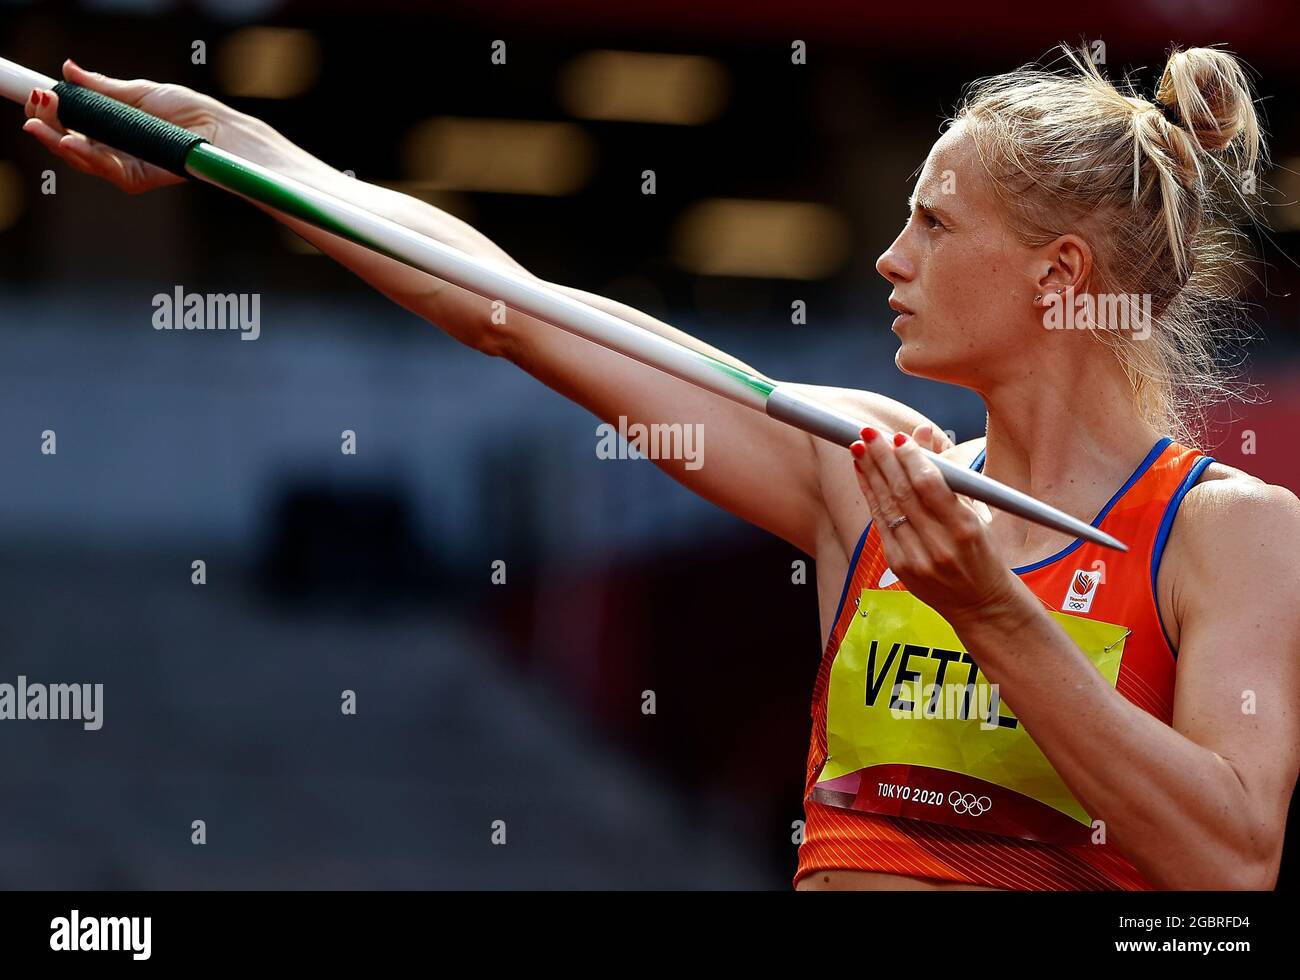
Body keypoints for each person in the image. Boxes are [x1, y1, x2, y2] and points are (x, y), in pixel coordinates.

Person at [22, 44, 1299, 890]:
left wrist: (990, 612)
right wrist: (250, 152)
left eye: (932, 220)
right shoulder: (861, 468)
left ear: (1057, 274)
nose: (888, 259)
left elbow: (1231, 860)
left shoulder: (1225, 533)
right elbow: (512, 306)